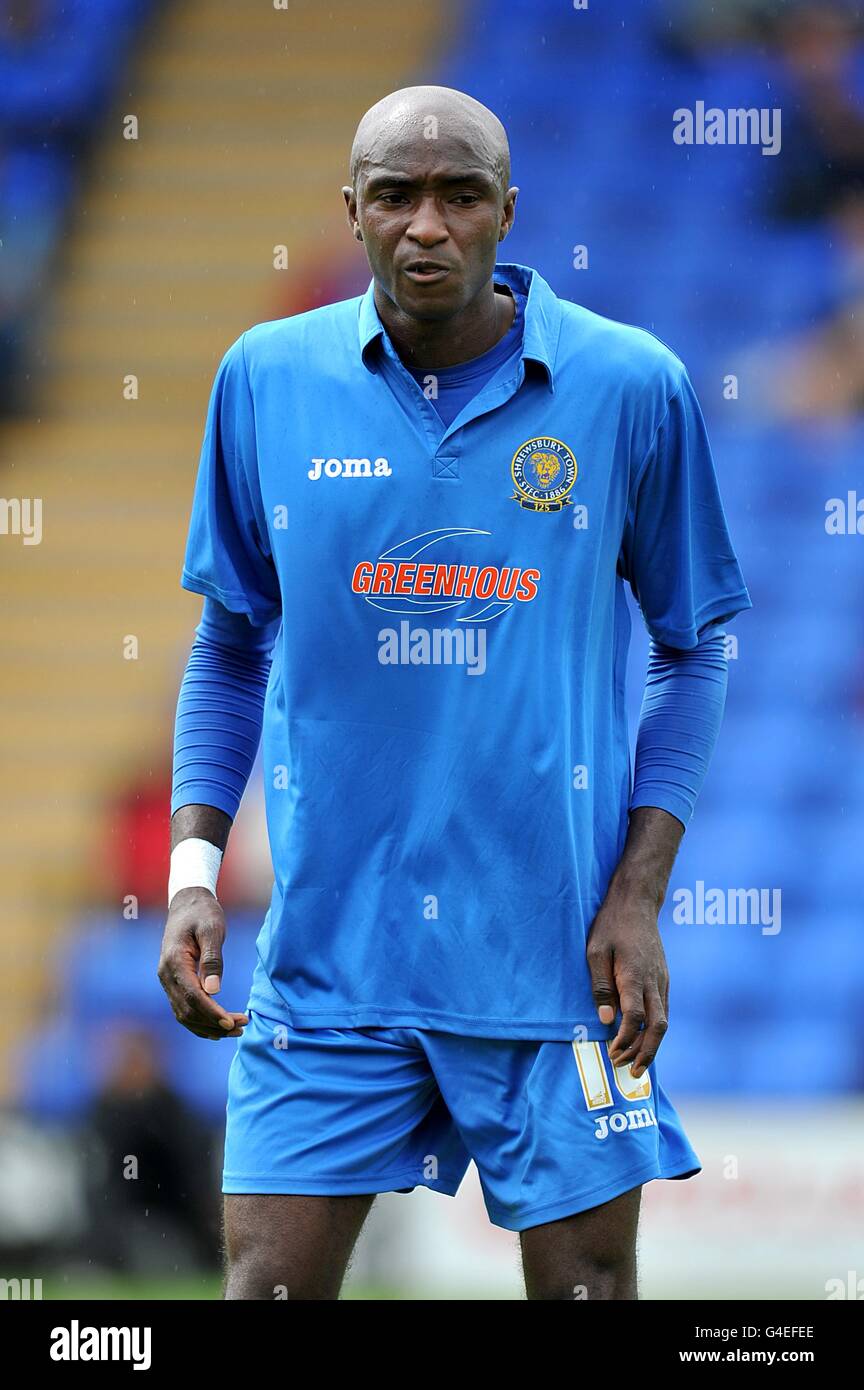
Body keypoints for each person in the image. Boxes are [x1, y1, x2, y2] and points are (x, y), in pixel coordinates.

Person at [158, 85, 751, 1300]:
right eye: (396, 196)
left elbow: (696, 649)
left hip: (555, 958)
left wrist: (638, 894)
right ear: (354, 214)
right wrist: (194, 873)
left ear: (507, 212)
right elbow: (228, 644)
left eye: (460, 194)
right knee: (265, 1285)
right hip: (329, 958)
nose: (427, 224)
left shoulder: (629, 386)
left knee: (589, 1285)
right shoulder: (265, 378)